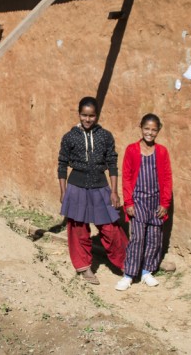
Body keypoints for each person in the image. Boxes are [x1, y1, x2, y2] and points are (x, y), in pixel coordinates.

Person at [58, 97, 129, 285]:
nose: (87, 119)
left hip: (100, 186)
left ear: (97, 115)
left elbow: (112, 164)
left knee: (111, 228)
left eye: (91, 116)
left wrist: (114, 191)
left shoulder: (105, 136)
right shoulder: (70, 137)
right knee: (78, 229)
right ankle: (84, 267)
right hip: (76, 187)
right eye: (84, 115)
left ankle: (127, 263)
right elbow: (62, 164)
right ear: (79, 114)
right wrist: (63, 191)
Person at [115, 113, 173, 291]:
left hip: (156, 202)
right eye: (147, 128)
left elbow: (166, 178)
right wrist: (128, 202)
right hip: (138, 201)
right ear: (141, 128)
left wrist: (165, 203)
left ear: (158, 131)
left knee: (154, 239)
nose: (150, 132)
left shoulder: (162, 151)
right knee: (138, 238)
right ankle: (129, 275)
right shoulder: (132, 150)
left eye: (154, 130)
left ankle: (147, 271)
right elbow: (126, 176)